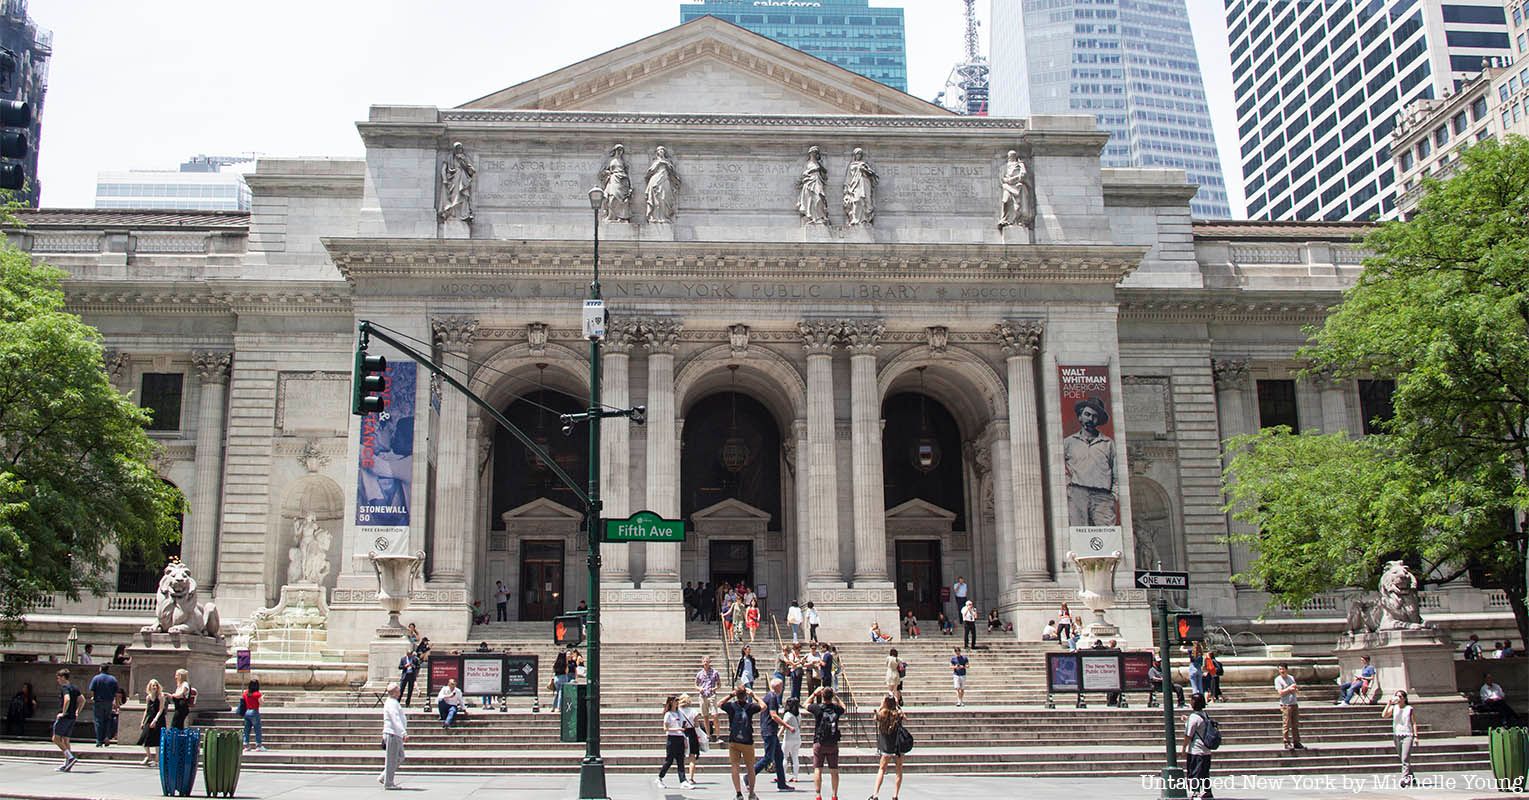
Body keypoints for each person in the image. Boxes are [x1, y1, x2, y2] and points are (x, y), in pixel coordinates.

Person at [1063, 396, 1118, 527]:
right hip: (1077, 494)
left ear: (1098, 420)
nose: (1090, 419)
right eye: (1087, 414)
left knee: (1106, 536)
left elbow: (1116, 470)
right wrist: (1067, 488)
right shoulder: (1068, 442)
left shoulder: (1108, 443)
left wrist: (1114, 494)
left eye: (1094, 416)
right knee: (1078, 534)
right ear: (1080, 417)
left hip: (1103, 496)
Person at [720, 686, 765, 800]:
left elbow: (719, 703)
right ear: (745, 695)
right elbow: (764, 706)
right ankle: (751, 793)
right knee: (750, 767)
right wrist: (753, 695)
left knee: (735, 766)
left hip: (734, 740)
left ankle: (739, 793)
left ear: (737, 694)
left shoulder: (731, 706)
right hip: (747, 741)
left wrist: (731, 695)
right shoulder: (750, 707)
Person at [752, 677, 793, 792]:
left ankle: (781, 783)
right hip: (769, 730)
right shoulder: (773, 697)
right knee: (768, 757)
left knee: (779, 757)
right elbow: (773, 715)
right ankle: (749, 776)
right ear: (778, 687)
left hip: (771, 731)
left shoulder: (769, 696)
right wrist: (787, 725)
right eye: (781, 685)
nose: (783, 687)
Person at [807, 687, 846, 800]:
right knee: (834, 770)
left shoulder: (818, 708)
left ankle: (818, 794)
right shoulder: (836, 708)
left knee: (818, 768)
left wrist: (814, 694)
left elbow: (805, 704)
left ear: (822, 696)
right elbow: (844, 707)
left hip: (819, 741)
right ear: (831, 696)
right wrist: (836, 697)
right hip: (832, 743)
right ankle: (834, 795)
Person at [870, 695, 907, 800]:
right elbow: (905, 717)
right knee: (899, 770)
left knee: (882, 768)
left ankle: (876, 793)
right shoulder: (898, 713)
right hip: (897, 745)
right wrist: (898, 707)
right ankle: (895, 795)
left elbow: (875, 718)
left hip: (886, 745)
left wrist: (881, 706)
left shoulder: (882, 714)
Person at [1382, 689, 1418, 787]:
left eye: (1400, 696)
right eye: (1397, 696)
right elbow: (1384, 715)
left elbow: (1413, 723)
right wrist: (1388, 704)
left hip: (1407, 734)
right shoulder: (1394, 708)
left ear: (1404, 698)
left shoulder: (1409, 708)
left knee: (1405, 758)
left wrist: (1415, 736)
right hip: (1397, 735)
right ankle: (1412, 778)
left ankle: (1404, 779)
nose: (1398, 698)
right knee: (1402, 758)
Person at [1182, 693, 1214, 799]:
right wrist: (1187, 720)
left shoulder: (1194, 717)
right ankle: (1207, 791)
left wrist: (1183, 749)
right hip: (1206, 750)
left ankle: (1195, 792)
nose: (1191, 702)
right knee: (1205, 772)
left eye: (1192, 700)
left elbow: (1188, 735)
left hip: (1196, 750)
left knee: (1195, 772)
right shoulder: (1204, 715)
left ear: (1194, 702)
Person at [52, 668, 83, 772]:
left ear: (63, 677)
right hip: (72, 717)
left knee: (56, 738)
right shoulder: (74, 688)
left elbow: (67, 699)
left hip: (65, 717)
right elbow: (82, 700)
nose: (58, 680)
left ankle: (70, 757)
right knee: (66, 740)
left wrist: (63, 713)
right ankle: (67, 764)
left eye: (59, 678)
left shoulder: (65, 688)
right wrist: (77, 711)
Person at [657, 694, 688, 790]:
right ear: (671, 702)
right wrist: (677, 728)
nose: (677, 702)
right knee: (669, 760)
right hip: (672, 738)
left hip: (680, 737)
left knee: (680, 760)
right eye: (675, 701)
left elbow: (683, 725)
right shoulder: (668, 714)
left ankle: (683, 781)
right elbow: (665, 728)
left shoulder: (680, 713)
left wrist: (684, 737)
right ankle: (660, 778)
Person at [380, 681, 407, 790]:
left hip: (396, 734)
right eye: (398, 690)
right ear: (395, 692)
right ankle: (389, 783)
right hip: (392, 733)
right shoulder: (391, 703)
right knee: (392, 759)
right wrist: (403, 732)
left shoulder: (394, 702)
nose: (400, 691)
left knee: (400, 757)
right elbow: (395, 719)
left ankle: (384, 777)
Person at [87, 664, 118, 748]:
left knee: (98, 721)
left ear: (100, 669)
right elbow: (116, 692)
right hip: (109, 702)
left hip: (98, 702)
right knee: (108, 720)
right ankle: (107, 737)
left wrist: (93, 697)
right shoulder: (113, 679)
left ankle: (99, 740)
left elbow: (92, 690)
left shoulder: (96, 678)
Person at [1274, 664, 1304, 751]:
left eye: (1283, 669)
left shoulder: (1291, 678)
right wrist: (1289, 689)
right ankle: (1286, 741)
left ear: (1286, 669)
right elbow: (1280, 692)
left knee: (1295, 724)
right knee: (1286, 724)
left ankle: (1296, 742)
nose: (1281, 671)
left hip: (1294, 703)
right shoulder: (1278, 680)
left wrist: (1293, 689)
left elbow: (1295, 687)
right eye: (1280, 669)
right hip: (1285, 704)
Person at [137, 679, 165, 767]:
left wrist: (155, 720)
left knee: (157, 739)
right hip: (149, 718)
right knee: (144, 737)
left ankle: (157, 759)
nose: (154, 687)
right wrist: (143, 721)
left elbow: (161, 709)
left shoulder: (161, 696)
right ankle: (148, 756)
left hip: (158, 719)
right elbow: (146, 709)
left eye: (156, 685)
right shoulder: (148, 697)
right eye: (153, 685)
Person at [677, 694, 702, 790]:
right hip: (691, 733)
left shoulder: (678, 711)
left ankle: (683, 777)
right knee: (692, 757)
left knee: (681, 757)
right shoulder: (693, 711)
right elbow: (696, 724)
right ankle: (691, 778)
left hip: (681, 733)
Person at [696, 655, 722, 740]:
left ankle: (718, 734)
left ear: (709, 662)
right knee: (705, 716)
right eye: (704, 661)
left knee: (715, 715)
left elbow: (719, 684)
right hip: (703, 695)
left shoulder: (715, 672)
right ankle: (708, 735)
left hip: (711, 695)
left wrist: (714, 689)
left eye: (707, 661)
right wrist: (699, 688)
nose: (706, 663)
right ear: (702, 662)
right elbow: (696, 684)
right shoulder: (700, 673)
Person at [782, 697, 803, 785]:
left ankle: (782, 775)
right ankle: (796, 776)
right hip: (797, 738)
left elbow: (783, 725)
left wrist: (778, 735)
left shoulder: (788, 715)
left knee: (785, 756)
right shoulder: (799, 715)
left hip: (788, 738)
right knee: (795, 757)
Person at [241, 679, 265, 751]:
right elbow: (261, 703)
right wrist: (263, 698)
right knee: (257, 729)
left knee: (246, 729)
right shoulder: (257, 694)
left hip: (247, 712)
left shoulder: (245, 693)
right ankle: (258, 745)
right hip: (254, 711)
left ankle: (246, 745)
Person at [474, 642, 496, 710]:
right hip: (486, 673)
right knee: (486, 691)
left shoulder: (478, 653)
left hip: (485, 673)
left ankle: (486, 704)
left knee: (486, 691)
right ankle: (487, 704)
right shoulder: (489, 653)